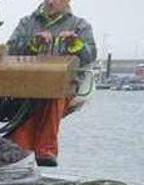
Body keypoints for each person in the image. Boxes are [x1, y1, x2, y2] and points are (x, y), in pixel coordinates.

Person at [6, 0, 96, 167]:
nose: (50, 1)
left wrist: (76, 44)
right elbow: (10, 50)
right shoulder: (26, 23)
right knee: (27, 106)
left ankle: (45, 150)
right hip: (27, 85)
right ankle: (20, 152)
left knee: (54, 94)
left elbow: (90, 56)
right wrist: (33, 44)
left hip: (63, 87)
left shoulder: (80, 25)